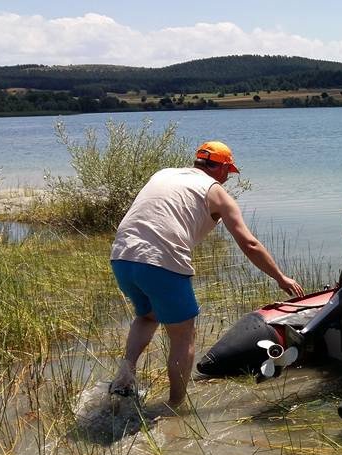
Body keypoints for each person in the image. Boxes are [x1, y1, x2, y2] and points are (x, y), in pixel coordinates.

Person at [108, 141, 304, 409]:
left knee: (147, 316)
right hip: (161, 262)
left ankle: (124, 378)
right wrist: (281, 277)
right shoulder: (217, 193)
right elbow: (249, 244)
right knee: (183, 335)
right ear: (222, 168)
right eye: (228, 172)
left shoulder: (164, 173)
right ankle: (175, 406)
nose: (227, 178)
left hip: (122, 256)